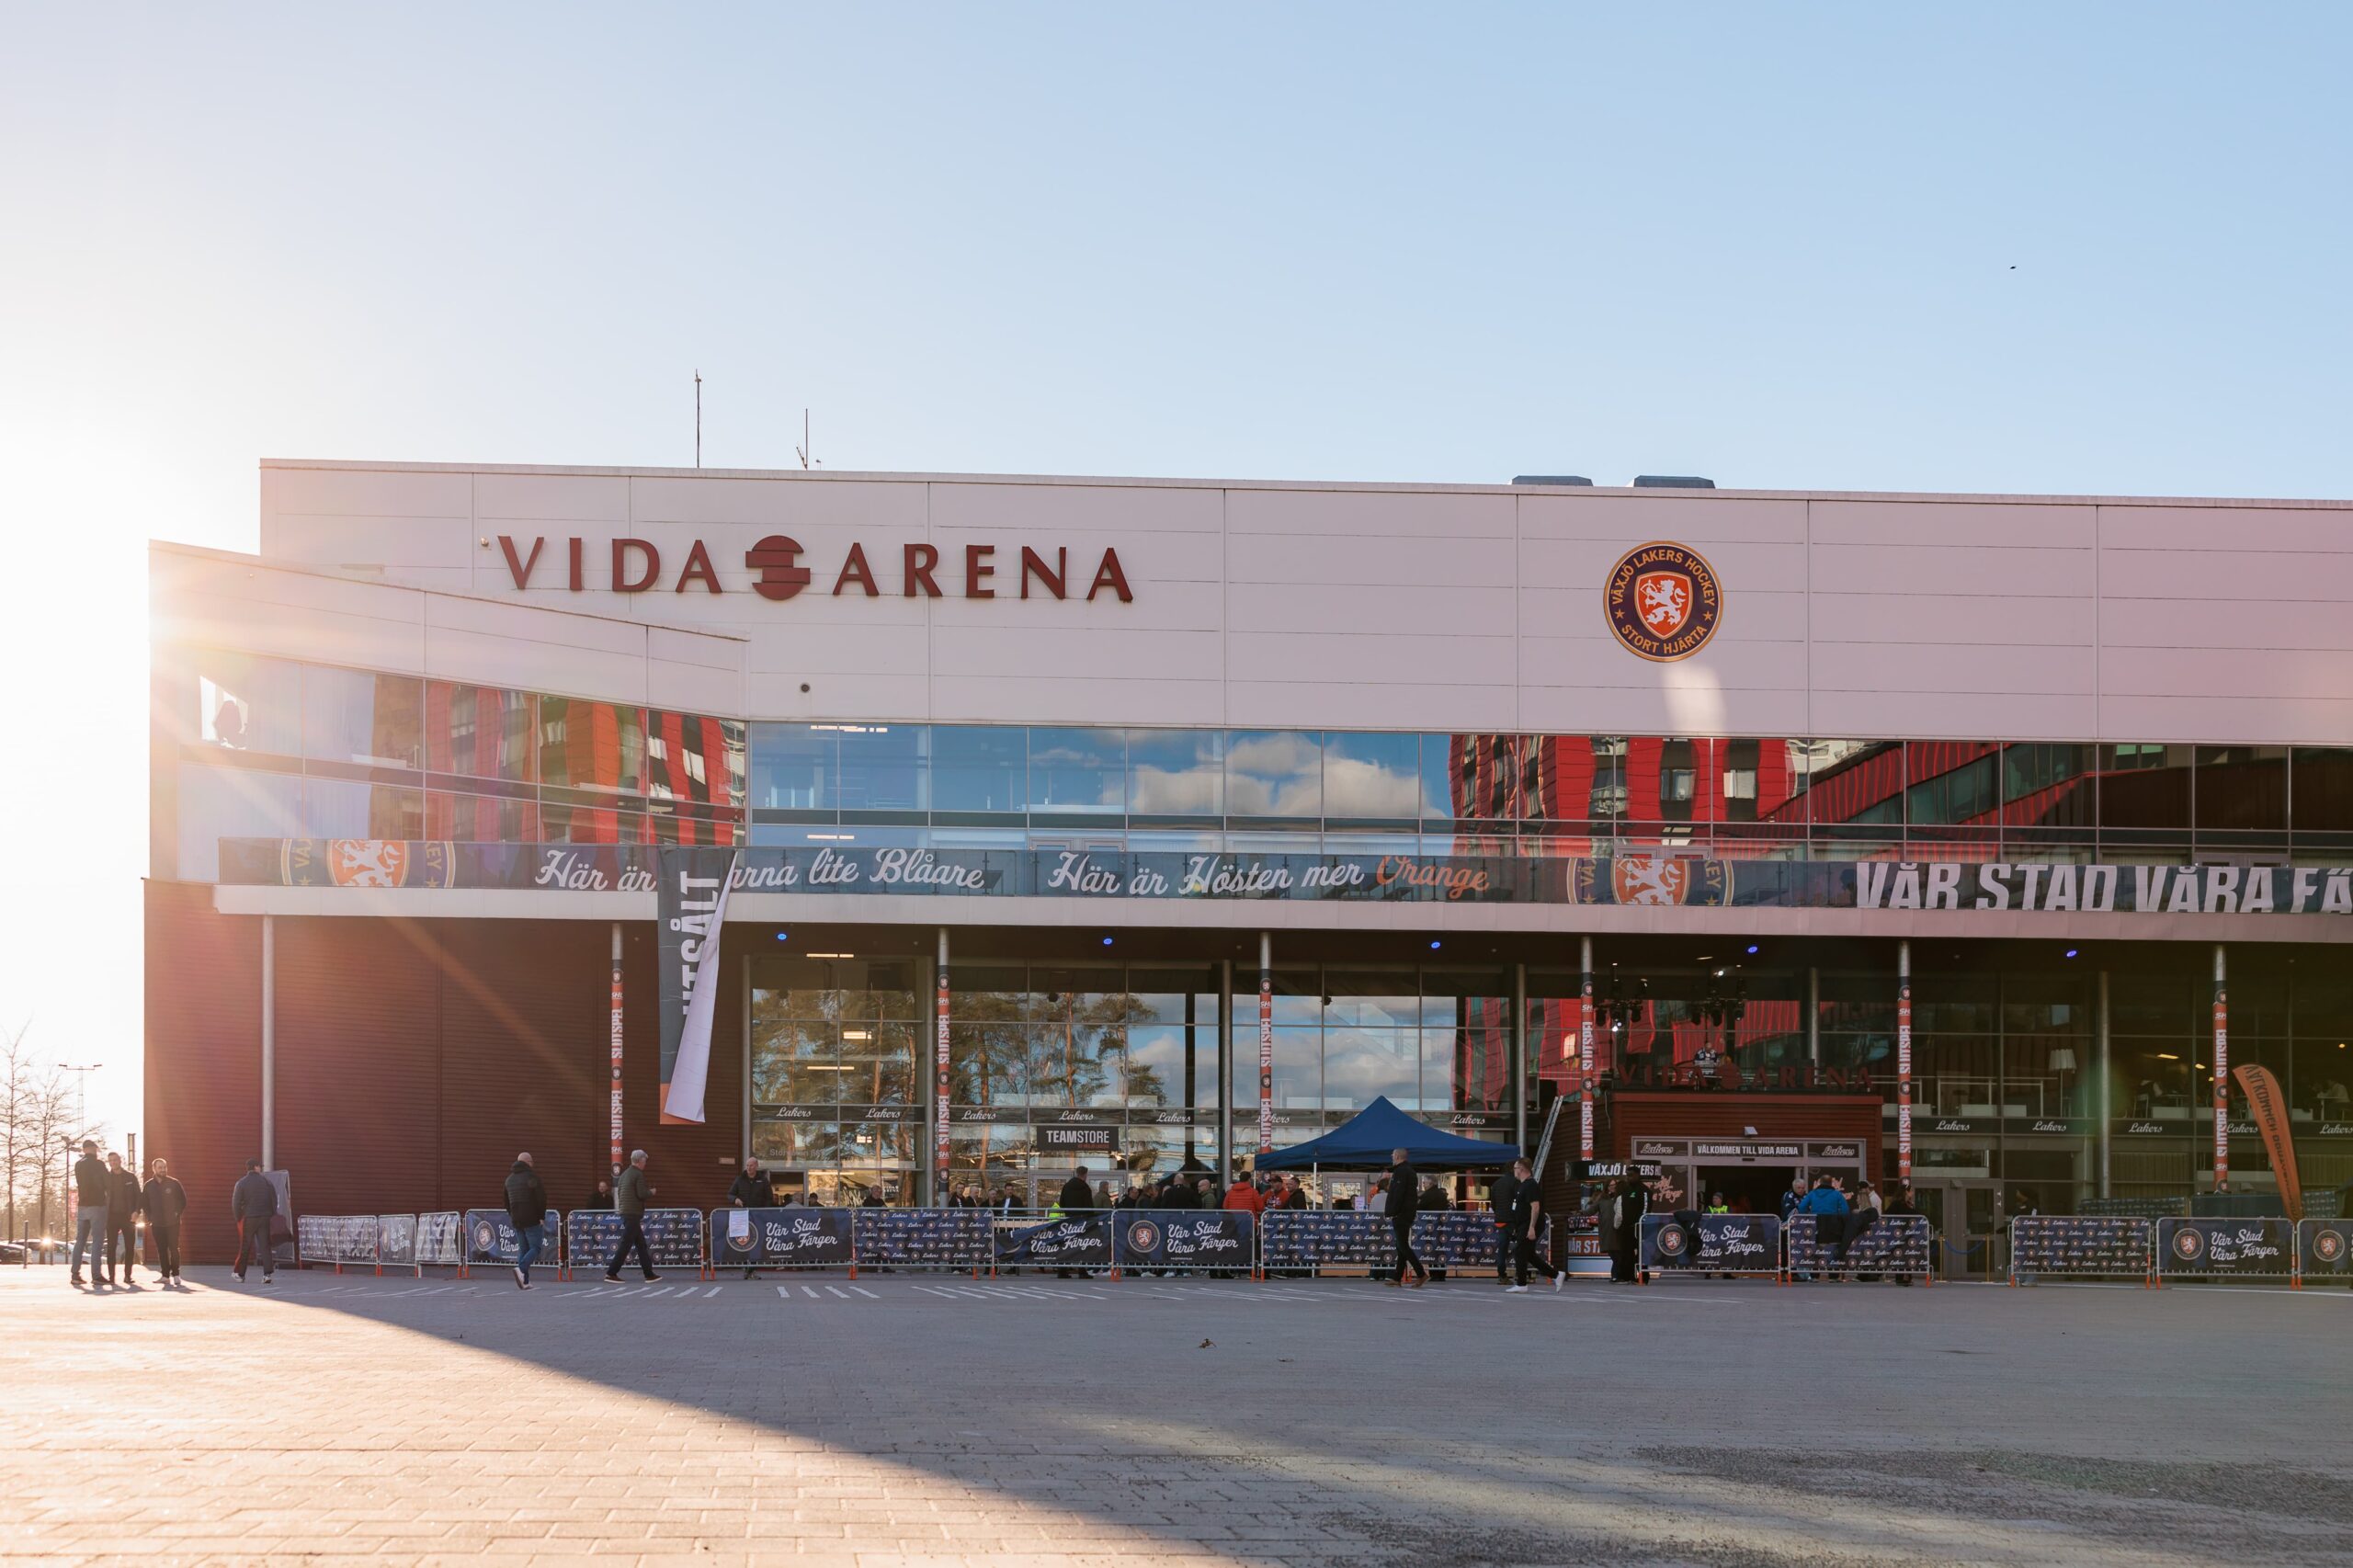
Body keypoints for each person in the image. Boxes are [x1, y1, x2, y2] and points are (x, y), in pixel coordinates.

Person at [1502, 1159, 1562, 1292]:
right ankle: (1556, 1275)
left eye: (1515, 1168)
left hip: (1529, 1225)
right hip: (1523, 1224)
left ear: (1522, 1169)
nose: (1514, 1171)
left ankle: (1522, 1284)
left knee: (1519, 1251)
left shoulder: (1531, 1185)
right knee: (1528, 1254)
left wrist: (1531, 1227)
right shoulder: (1522, 1185)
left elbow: (1535, 1207)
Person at [604, 1149, 662, 1282]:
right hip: (633, 1213)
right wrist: (652, 1192)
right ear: (640, 1161)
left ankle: (649, 1274)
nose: (645, 1164)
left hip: (625, 1211)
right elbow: (641, 1194)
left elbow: (620, 1194)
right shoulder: (638, 1174)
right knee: (626, 1244)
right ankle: (611, 1273)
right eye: (645, 1161)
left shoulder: (624, 1175)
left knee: (641, 1245)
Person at [504, 1152, 550, 1290]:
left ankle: (525, 1281)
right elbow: (541, 1199)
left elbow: (506, 1202)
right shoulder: (532, 1177)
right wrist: (541, 1217)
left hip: (516, 1219)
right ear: (528, 1162)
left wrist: (512, 1215)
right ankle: (521, 1268)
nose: (533, 1165)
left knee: (523, 1250)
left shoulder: (509, 1180)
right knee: (535, 1247)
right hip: (532, 1219)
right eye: (532, 1162)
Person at [1385, 1148, 1428, 1288]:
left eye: (1393, 1155)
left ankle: (1421, 1273)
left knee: (1402, 1245)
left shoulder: (1402, 1171)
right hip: (1405, 1212)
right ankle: (1397, 1278)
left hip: (1402, 1213)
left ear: (1397, 1156)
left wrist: (1393, 1211)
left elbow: (1398, 1193)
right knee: (1401, 1246)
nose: (1391, 1157)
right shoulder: (1407, 1171)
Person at [231, 1159, 278, 1284]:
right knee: (265, 1246)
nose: (261, 1168)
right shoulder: (267, 1182)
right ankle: (267, 1275)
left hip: (249, 1218)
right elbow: (274, 1199)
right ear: (256, 1167)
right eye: (260, 1166)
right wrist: (271, 1214)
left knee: (245, 1246)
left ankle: (241, 1275)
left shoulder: (241, 1183)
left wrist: (238, 1217)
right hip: (264, 1217)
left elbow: (236, 1202)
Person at [70, 1140, 109, 1288]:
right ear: (92, 1149)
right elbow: (107, 1182)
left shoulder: (78, 1164)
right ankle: (96, 1275)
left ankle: (75, 1274)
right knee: (97, 1241)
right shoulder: (98, 1164)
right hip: (97, 1205)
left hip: (82, 1206)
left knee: (80, 1240)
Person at [143, 1157, 188, 1284]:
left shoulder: (174, 1183)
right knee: (162, 1249)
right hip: (157, 1224)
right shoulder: (148, 1185)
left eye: (164, 1167)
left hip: (173, 1223)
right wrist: (149, 1216)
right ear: (154, 1169)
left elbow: (182, 1201)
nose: (163, 1170)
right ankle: (165, 1276)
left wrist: (176, 1213)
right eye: (160, 1167)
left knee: (174, 1248)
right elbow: (144, 1203)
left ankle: (176, 1275)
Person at [727, 1156, 768, 1279]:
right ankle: (746, 1268)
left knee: (757, 1243)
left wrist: (765, 1211)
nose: (749, 1168)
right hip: (743, 1216)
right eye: (747, 1165)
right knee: (744, 1243)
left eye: (751, 1165)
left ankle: (752, 1270)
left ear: (756, 1166)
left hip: (758, 1216)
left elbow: (769, 1198)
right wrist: (735, 1199)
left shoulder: (763, 1180)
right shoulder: (740, 1179)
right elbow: (730, 1194)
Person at [106, 1153, 142, 1286]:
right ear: (109, 1162)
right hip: (111, 1217)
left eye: (115, 1160)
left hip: (128, 1217)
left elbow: (139, 1196)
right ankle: (111, 1277)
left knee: (129, 1247)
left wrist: (137, 1211)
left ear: (120, 1161)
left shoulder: (130, 1177)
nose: (113, 1162)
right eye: (111, 1161)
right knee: (111, 1248)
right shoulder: (106, 1178)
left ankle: (128, 1276)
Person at [1486, 1163, 1522, 1286]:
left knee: (1502, 1249)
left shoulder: (1496, 1184)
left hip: (1500, 1220)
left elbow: (1493, 1205)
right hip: (1513, 1221)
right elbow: (1520, 1201)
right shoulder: (1516, 1182)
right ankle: (1521, 1274)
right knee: (1521, 1247)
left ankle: (1502, 1275)